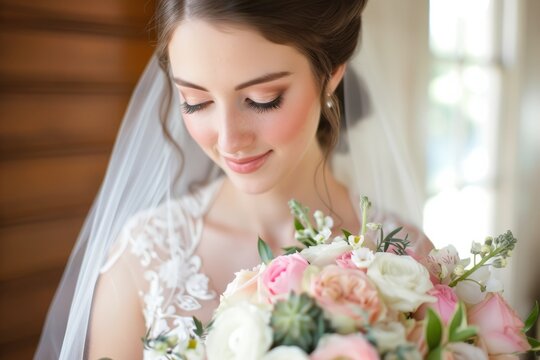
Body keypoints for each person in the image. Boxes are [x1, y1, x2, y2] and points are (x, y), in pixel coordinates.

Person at [35, 1, 433, 359]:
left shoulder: (406, 262)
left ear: (331, 74)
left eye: (263, 99)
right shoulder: (142, 260)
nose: (229, 140)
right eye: (196, 102)